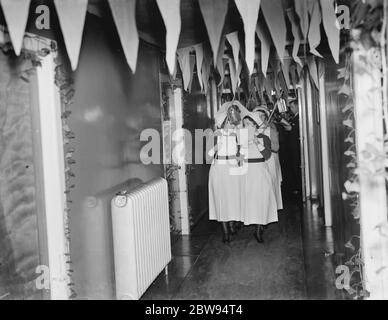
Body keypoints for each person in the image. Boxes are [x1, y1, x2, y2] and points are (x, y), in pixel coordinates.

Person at [208, 101, 248, 243]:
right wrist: (215, 147)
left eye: (233, 118)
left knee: (233, 197)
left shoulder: (239, 131)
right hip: (218, 167)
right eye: (229, 119)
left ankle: (232, 223)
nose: (231, 122)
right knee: (221, 198)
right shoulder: (217, 132)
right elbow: (209, 152)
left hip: (233, 167)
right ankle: (225, 231)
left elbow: (243, 149)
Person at [240, 112, 278, 243]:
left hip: (260, 170)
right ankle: (254, 223)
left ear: (255, 125)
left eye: (249, 124)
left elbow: (267, 155)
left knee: (262, 199)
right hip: (247, 171)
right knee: (251, 200)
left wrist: (257, 143)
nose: (246, 127)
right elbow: (238, 157)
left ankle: (259, 227)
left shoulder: (263, 138)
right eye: (244, 125)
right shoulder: (241, 138)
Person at [254, 106, 283, 211]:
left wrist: (265, 142)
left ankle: (272, 208)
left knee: (271, 183)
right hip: (256, 162)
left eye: (262, 116)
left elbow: (276, 147)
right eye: (258, 116)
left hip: (270, 159)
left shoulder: (271, 129)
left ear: (266, 117)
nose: (260, 118)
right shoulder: (251, 130)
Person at [284, 99, 302, 199]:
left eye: (292, 107)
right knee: (293, 166)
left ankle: (299, 188)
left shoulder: (299, 118)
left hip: (296, 146)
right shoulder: (294, 118)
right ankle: (296, 186)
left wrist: (290, 128)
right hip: (292, 146)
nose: (291, 109)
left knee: (296, 166)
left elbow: (295, 130)